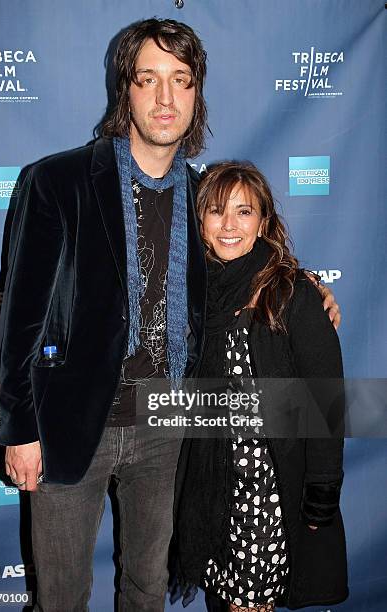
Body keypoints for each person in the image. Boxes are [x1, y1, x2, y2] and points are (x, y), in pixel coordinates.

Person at [0, 18, 340, 612]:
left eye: (180, 81)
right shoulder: (57, 181)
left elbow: (247, 254)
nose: (164, 98)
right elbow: (20, 319)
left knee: (147, 588)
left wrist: (306, 286)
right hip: (69, 422)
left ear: (196, 93)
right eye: (147, 79)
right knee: (60, 596)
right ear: (123, 89)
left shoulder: (203, 196)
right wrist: (19, 428)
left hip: (169, 426)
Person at [174, 162, 348, 612]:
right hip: (212, 488)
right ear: (200, 221)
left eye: (244, 211)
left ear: (263, 222)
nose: (229, 225)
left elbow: (327, 403)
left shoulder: (291, 293)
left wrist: (322, 491)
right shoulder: (195, 295)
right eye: (216, 211)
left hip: (265, 496)